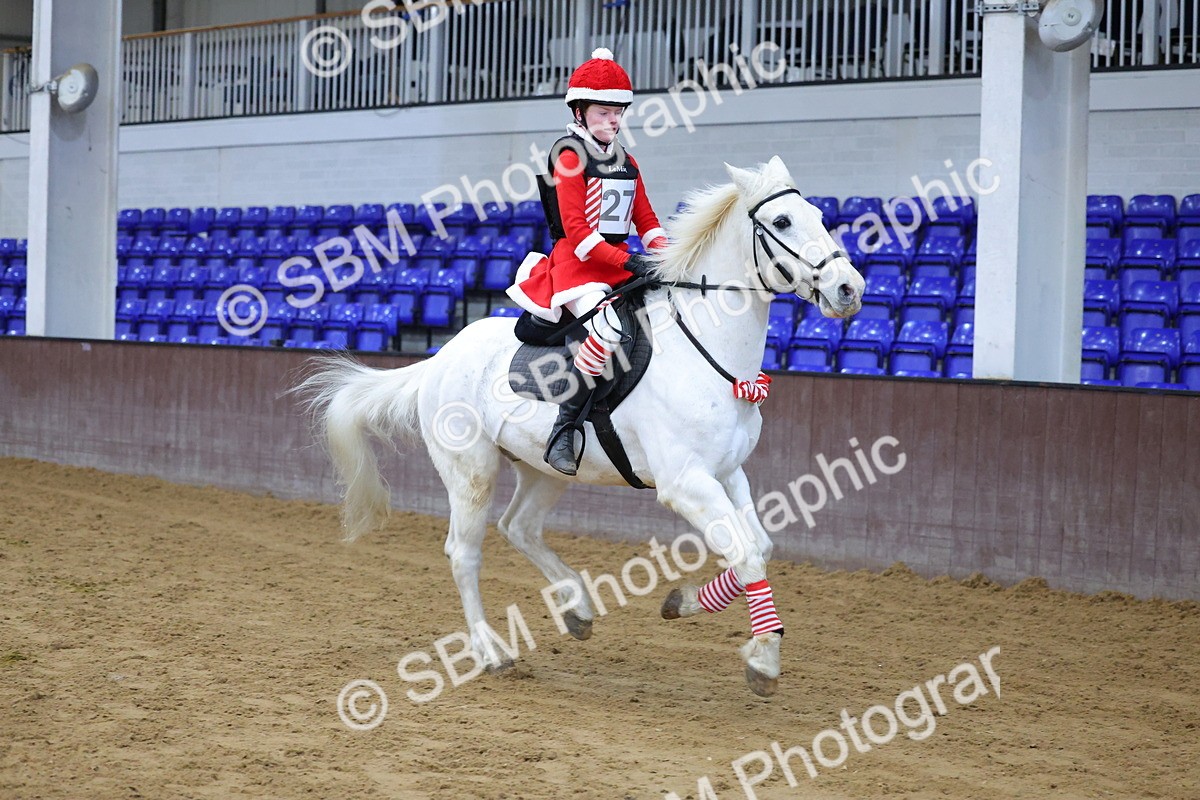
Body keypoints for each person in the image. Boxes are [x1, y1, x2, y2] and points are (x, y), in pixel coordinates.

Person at [507, 47, 668, 476]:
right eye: (603, 112)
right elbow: (577, 231)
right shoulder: (569, 155)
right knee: (607, 326)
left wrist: (668, 255)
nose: (613, 120)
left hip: (614, 263)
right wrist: (631, 262)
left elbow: (645, 217)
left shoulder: (628, 161)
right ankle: (565, 427)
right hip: (577, 266)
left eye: (618, 112)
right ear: (579, 112)